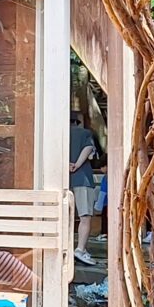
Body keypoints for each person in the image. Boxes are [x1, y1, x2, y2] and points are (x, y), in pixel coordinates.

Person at [69, 109, 102, 266]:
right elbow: (88, 149)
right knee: (85, 217)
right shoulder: (85, 133)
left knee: (65, 217)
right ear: (77, 121)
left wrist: (67, 165)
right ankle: (80, 249)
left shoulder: (58, 135)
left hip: (63, 179)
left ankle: (66, 248)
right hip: (83, 178)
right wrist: (77, 164)